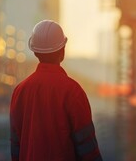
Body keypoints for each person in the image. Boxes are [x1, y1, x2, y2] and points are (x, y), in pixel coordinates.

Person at [10, 20, 102, 161]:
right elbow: (87, 146)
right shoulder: (73, 91)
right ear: (62, 51)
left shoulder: (20, 91)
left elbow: (16, 146)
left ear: (35, 52)